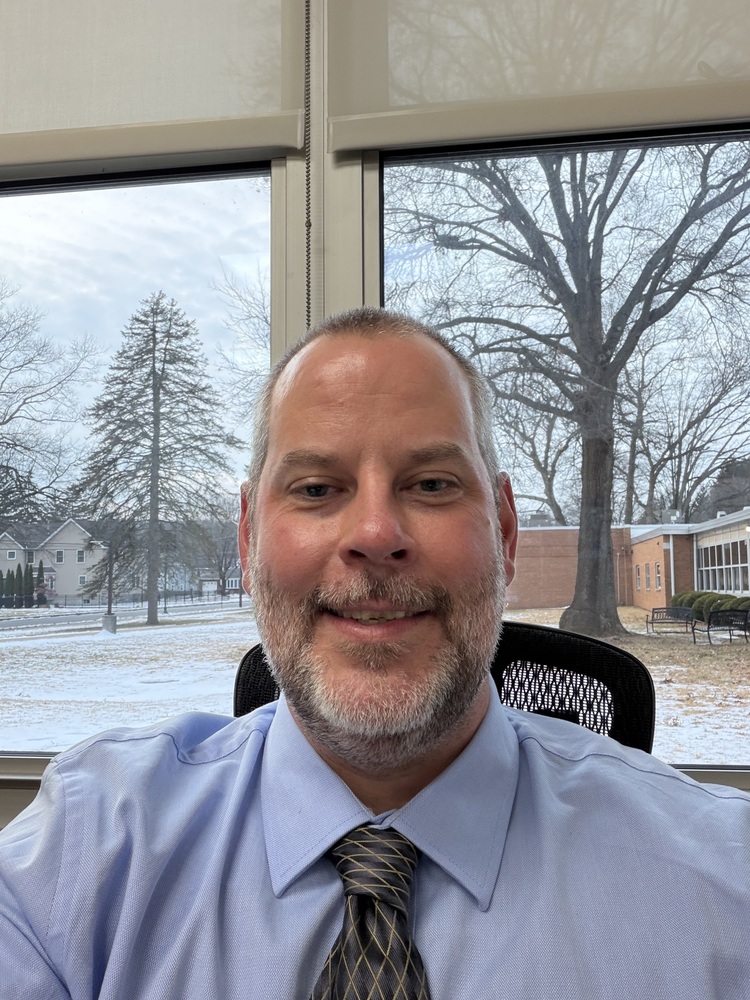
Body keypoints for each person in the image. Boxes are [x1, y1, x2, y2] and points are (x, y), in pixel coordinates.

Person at [0, 307, 748, 999]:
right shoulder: (86, 855)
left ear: (507, 533)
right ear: (249, 539)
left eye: (430, 482)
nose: (374, 533)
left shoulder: (721, 885)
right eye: (318, 488)